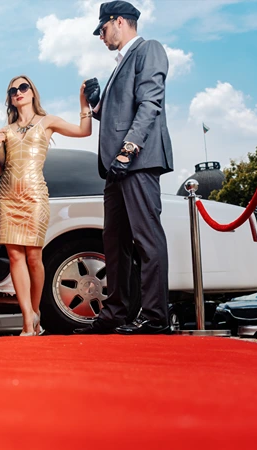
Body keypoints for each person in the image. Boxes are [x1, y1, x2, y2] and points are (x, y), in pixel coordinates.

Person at [76, 1, 174, 335]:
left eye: (103, 29)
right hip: (116, 167)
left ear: (119, 22)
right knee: (114, 241)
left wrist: (128, 151)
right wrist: (97, 103)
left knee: (146, 239)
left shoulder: (149, 50)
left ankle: (156, 317)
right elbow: (119, 114)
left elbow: (150, 104)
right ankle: (115, 313)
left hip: (137, 160)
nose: (101, 37)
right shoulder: (121, 63)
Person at [0, 74, 92, 336]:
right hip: (8, 196)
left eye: (23, 88)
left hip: (35, 196)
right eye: (13, 90)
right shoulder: (4, 131)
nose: (18, 92)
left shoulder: (48, 122)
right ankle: (26, 319)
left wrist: (84, 105)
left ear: (32, 92)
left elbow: (84, 131)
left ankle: (36, 312)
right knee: (15, 256)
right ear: (10, 99)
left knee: (34, 256)